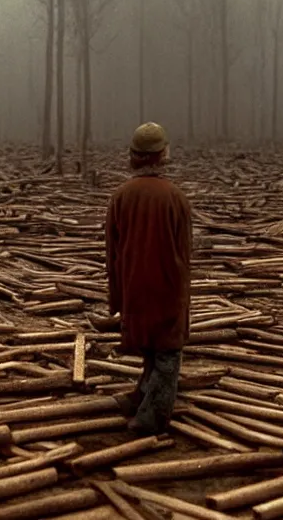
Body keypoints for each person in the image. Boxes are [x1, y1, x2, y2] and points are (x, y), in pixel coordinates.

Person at [105, 122, 192, 436]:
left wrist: (118, 296)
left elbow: (112, 251)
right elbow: (184, 252)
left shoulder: (121, 196)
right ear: (161, 155)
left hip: (135, 288)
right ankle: (151, 416)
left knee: (150, 347)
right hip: (166, 288)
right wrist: (182, 294)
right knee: (167, 353)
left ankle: (139, 396)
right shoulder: (175, 197)